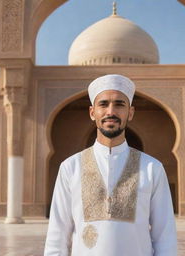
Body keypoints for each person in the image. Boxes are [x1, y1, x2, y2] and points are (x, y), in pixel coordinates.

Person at [44, 74, 177, 256]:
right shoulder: (71, 167)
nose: (111, 112)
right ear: (92, 112)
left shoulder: (152, 168)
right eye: (104, 104)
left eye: (120, 104)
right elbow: (57, 235)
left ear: (130, 113)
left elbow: (165, 237)